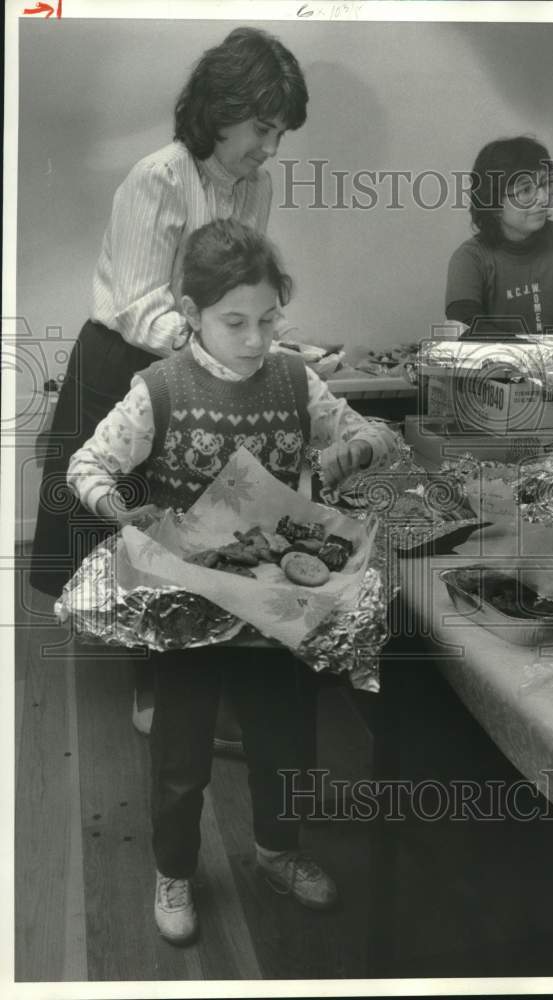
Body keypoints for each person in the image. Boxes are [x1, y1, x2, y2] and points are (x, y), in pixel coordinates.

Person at [66, 218, 402, 945]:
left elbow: (372, 432)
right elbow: (86, 464)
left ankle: (278, 852)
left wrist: (356, 448)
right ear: (191, 315)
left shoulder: (295, 379)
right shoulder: (158, 388)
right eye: (235, 322)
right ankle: (174, 871)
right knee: (180, 756)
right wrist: (122, 511)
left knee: (284, 740)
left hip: (274, 598)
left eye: (269, 319)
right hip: (187, 601)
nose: (256, 339)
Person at [29, 25, 309, 733]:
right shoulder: (160, 176)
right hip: (125, 359)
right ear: (222, 108)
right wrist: (219, 350)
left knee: (200, 524)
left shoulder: (257, 186)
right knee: (138, 526)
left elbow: (241, 283)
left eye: (280, 133)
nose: (271, 148)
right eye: (262, 128)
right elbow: (139, 304)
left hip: (199, 362)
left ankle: (199, 665)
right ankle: (152, 687)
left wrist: (264, 343)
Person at [445, 136, 553, 335]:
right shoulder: (469, 258)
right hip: (498, 357)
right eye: (526, 190)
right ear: (493, 204)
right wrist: (530, 352)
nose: (543, 198)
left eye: (545, 184)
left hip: (552, 358)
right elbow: (465, 326)